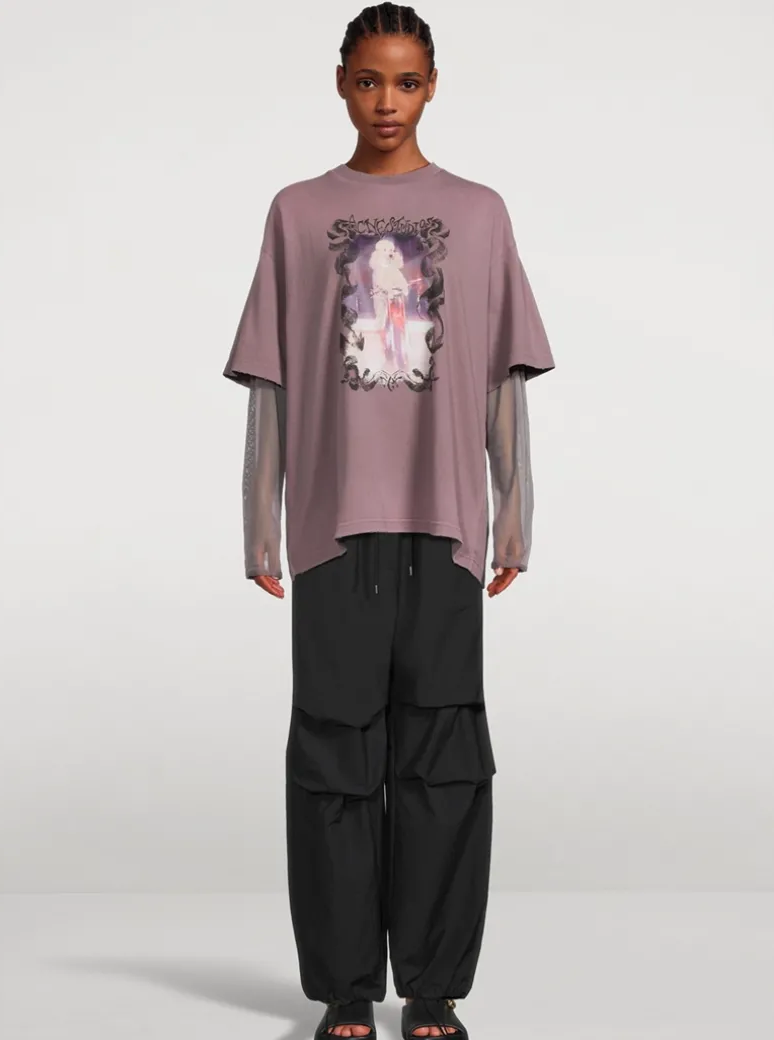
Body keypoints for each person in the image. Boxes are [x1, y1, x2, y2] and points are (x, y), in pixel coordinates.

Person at [222, 5, 556, 1040]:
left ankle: (435, 987)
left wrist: (512, 517)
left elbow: (501, 379)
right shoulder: (297, 212)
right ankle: (346, 987)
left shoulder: (480, 213)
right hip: (333, 528)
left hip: (444, 525)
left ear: (432, 85)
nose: (386, 102)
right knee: (333, 758)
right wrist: (262, 525)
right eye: (368, 80)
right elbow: (272, 382)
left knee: (445, 759)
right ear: (340, 82)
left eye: (406, 81)